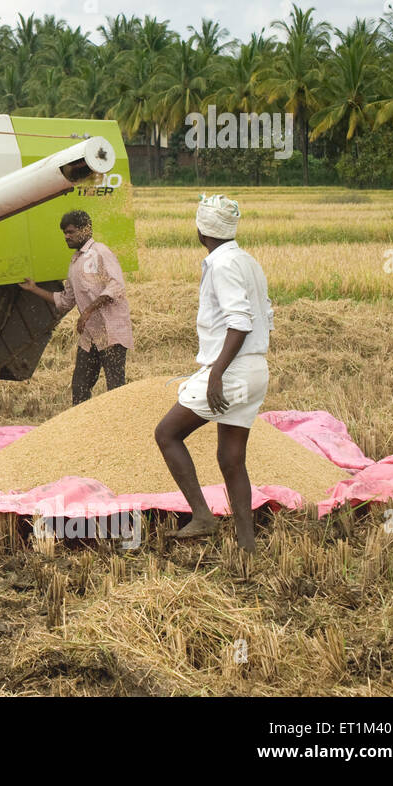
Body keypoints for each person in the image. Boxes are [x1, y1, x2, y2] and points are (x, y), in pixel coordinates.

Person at [153, 194, 274, 553]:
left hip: (232, 370)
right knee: (231, 459)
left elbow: (240, 322)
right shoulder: (247, 261)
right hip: (255, 368)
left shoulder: (221, 265)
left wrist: (217, 374)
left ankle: (203, 516)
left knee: (167, 434)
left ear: (201, 230)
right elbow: (264, 316)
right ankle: (247, 546)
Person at [20, 209, 133, 405]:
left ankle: (120, 421)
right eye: (64, 232)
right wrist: (33, 289)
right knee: (80, 386)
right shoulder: (75, 262)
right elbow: (65, 301)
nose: (66, 236)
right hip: (90, 336)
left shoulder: (101, 252)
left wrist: (88, 311)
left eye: (70, 232)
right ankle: (81, 422)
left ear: (86, 229)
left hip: (112, 332)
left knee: (115, 387)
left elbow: (116, 286)